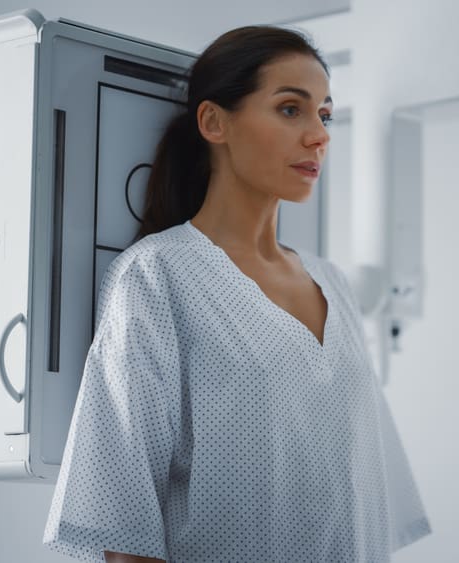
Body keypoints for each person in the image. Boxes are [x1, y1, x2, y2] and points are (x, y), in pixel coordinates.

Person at [43, 24, 431, 563]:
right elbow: (125, 524)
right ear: (213, 122)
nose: (319, 136)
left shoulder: (333, 285)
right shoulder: (158, 277)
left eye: (324, 114)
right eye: (291, 109)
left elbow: (362, 505)